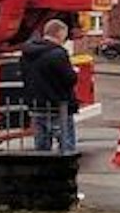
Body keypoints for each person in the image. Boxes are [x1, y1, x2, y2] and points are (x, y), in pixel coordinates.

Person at [21, 18, 80, 154]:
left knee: (41, 146)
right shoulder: (58, 54)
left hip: (36, 105)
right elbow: (69, 79)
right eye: (64, 36)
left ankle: (43, 172)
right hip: (58, 106)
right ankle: (65, 172)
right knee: (66, 146)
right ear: (59, 34)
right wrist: (74, 72)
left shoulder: (27, 53)